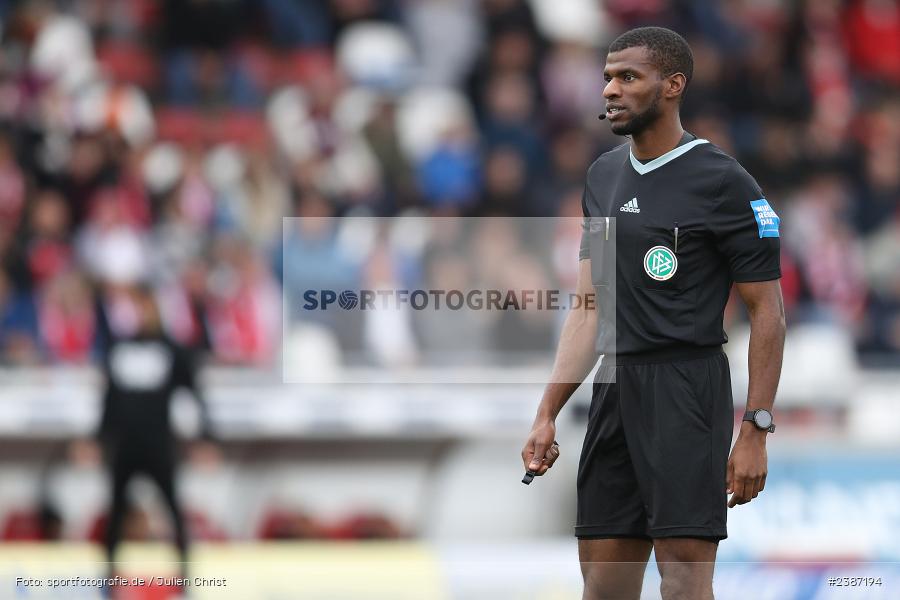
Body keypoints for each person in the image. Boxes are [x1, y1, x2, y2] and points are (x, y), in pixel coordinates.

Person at [521, 27, 786, 600]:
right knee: (603, 584)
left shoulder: (724, 182)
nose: (610, 89)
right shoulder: (602, 176)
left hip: (687, 389)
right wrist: (547, 410)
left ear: (672, 85)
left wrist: (756, 428)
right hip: (615, 391)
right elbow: (590, 307)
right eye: (608, 77)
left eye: (627, 77)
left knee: (684, 581)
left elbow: (767, 312)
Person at [93, 284, 217, 597]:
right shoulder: (118, 351)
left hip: (159, 442)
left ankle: (185, 575)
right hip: (125, 444)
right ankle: (110, 577)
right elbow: (109, 402)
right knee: (117, 509)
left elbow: (195, 395)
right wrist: (97, 439)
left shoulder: (174, 351)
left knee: (173, 507)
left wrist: (206, 437)